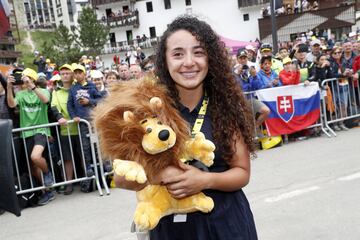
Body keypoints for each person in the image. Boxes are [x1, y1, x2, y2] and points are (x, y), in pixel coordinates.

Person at [114, 15, 257, 239]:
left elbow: (242, 173)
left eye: (198, 52)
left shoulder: (225, 106)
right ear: (165, 60)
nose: (189, 62)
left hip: (226, 225)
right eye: (178, 54)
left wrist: (205, 180)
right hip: (171, 229)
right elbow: (122, 178)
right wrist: (160, 174)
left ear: (210, 59)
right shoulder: (147, 110)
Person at [6, 68, 55, 205]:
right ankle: (48, 191)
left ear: (33, 79)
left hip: (40, 130)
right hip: (26, 132)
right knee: (34, 166)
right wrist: (9, 87)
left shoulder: (43, 90)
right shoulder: (21, 94)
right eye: (22, 78)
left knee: (36, 156)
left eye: (26, 77)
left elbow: (45, 100)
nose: (23, 80)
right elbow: (11, 104)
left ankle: (47, 173)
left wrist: (32, 86)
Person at [67, 64, 102, 192]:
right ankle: (88, 167)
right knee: (85, 146)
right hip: (82, 122)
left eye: (79, 72)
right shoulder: (73, 89)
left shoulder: (91, 86)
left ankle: (104, 165)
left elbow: (101, 99)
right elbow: (69, 105)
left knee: (98, 144)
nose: (77, 75)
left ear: (84, 74)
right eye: (75, 73)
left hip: (93, 120)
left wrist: (89, 102)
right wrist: (73, 116)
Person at [50, 64, 79, 195]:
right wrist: (59, 117)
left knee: (85, 155)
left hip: (81, 128)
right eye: (63, 74)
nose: (65, 75)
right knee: (67, 158)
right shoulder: (56, 92)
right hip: (65, 130)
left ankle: (88, 180)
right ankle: (69, 183)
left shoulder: (78, 88)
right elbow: (54, 107)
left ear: (72, 75)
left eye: (68, 73)